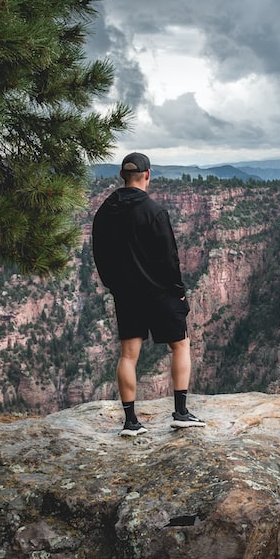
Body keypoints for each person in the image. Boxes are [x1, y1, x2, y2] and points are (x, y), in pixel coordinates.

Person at [91, 152, 205, 435]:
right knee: (180, 345)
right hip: (160, 292)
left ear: (122, 177)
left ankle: (130, 422)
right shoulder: (154, 211)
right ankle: (180, 412)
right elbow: (169, 258)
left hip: (126, 293)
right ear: (148, 175)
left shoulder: (106, 210)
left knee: (128, 355)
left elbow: (99, 253)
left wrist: (113, 285)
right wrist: (178, 291)